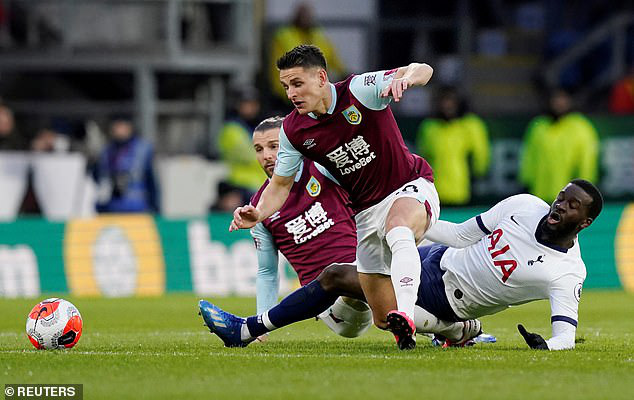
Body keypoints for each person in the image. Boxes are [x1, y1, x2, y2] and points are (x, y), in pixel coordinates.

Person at [207, 179, 602, 351]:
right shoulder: (524, 206)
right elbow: (462, 235)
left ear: (584, 222)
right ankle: (460, 332)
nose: (558, 205)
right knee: (351, 281)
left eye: (571, 206)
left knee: (336, 278)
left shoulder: (567, 273)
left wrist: (545, 347)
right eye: (560, 197)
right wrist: (412, 224)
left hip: (440, 298)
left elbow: (565, 335)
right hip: (433, 258)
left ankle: (245, 330)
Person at [201, 116, 482, 347]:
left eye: (274, 146)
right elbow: (266, 271)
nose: (267, 156)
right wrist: (263, 324)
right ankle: (455, 330)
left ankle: (453, 329)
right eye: (259, 150)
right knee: (351, 274)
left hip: (365, 267)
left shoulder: (324, 171)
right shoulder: (258, 208)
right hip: (332, 303)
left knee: (429, 257)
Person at [229, 44, 439, 350]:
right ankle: (457, 329)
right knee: (382, 316)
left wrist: (407, 78)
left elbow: (422, 68)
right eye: (286, 86)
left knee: (398, 227)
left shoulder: (359, 90)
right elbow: (280, 186)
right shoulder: (293, 130)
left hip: (409, 185)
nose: (291, 94)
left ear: (321, 78)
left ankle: (407, 310)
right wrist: (258, 213)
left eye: (298, 84)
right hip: (367, 213)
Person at [519, 88, 599, 203]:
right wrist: (526, 180)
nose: (559, 103)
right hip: (540, 192)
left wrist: (586, 184)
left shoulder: (580, 126)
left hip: (570, 195)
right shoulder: (539, 126)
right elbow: (529, 156)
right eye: (556, 99)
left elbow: (587, 158)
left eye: (563, 99)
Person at [416, 86, 490, 205]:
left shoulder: (470, 126)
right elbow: (423, 157)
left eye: (451, 101)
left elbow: (480, 157)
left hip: (463, 191)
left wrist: (477, 177)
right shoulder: (429, 128)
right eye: (444, 101)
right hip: (435, 192)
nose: (447, 106)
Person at [268, 2, 346, 106]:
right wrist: (282, 91)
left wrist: (344, 73)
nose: (306, 18)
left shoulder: (318, 35)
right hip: (290, 94)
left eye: (308, 15)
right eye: (303, 15)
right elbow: (276, 67)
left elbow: (332, 57)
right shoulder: (284, 36)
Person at [94, 116, 158, 213]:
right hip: (111, 208)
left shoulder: (143, 149)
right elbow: (99, 179)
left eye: (122, 126)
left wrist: (155, 207)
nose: (119, 130)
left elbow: (152, 181)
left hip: (138, 208)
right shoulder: (106, 151)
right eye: (116, 127)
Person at [216, 87, 267, 201]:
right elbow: (252, 157)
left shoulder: (257, 126)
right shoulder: (231, 129)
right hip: (240, 184)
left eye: (254, 104)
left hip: (261, 185)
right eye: (246, 103)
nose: (251, 108)